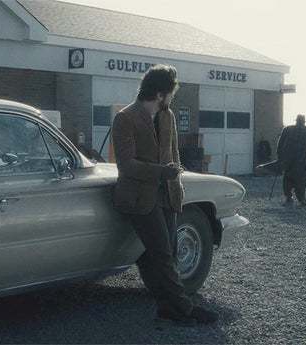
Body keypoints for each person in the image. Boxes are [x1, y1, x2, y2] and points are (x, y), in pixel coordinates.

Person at [111, 64, 218, 325]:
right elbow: (126, 165)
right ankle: (184, 308)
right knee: (162, 253)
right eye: (171, 92)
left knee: (165, 249)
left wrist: (175, 179)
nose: (173, 97)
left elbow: (174, 153)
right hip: (138, 197)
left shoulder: (167, 116)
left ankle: (165, 307)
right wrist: (162, 172)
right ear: (160, 93)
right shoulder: (125, 118)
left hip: (167, 193)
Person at [276, 114, 306, 207]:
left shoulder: (287, 129)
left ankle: (289, 197)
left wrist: (280, 156)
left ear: (296, 121)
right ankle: (301, 199)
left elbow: (280, 144)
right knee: (301, 180)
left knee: (288, 178)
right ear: (304, 122)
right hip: (302, 160)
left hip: (289, 159)